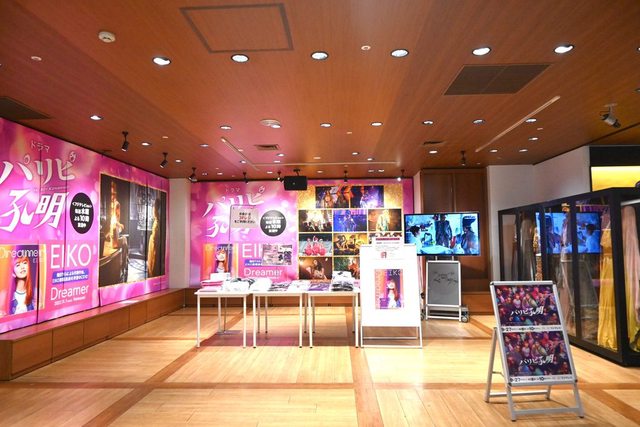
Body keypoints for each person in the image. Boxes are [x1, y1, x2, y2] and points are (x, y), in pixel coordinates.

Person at [147, 198, 162, 277]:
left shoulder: (157, 223)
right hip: (153, 245)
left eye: (154, 208)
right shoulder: (157, 221)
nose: (153, 210)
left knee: (154, 264)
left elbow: (156, 238)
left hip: (155, 247)